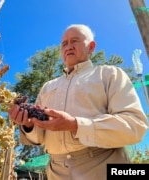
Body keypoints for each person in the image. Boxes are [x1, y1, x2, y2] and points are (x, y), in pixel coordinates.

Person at [8, 24, 148, 180]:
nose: (68, 46)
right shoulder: (48, 87)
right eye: (64, 43)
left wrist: (76, 125)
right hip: (56, 172)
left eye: (74, 41)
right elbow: (39, 138)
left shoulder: (109, 74)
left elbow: (135, 126)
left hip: (102, 166)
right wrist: (28, 125)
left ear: (91, 46)